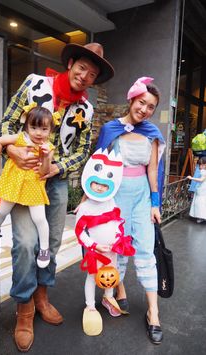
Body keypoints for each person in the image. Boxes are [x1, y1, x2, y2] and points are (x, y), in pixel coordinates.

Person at [0, 42, 114, 351]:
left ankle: (42, 295)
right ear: (71, 63)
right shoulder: (35, 84)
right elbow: (8, 122)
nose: (85, 75)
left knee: (49, 243)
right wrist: (12, 150)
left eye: (92, 73)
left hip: (56, 183)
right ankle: (24, 306)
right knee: (25, 242)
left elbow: (80, 151)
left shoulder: (86, 110)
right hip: (24, 177)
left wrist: (59, 167)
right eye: (82, 68)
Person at [96, 77, 166, 345]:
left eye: (151, 106)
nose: (145, 110)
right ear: (132, 99)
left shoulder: (152, 134)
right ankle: (119, 287)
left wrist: (155, 202)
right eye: (142, 103)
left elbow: (152, 170)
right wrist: (91, 199)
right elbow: (98, 165)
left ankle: (154, 313)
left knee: (146, 251)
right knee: (116, 247)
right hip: (114, 195)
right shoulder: (111, 129)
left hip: (140, 197)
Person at [0, 105, 55, 268]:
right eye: (34, 127)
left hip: (34, 185)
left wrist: (44, 157)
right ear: (26, 126)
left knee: (39, 218)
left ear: (50, 130)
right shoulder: (21, 138)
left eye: (43, 129)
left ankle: (44, 248)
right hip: (14, 182)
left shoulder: (48, 148)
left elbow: (44, 172)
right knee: (2, 209)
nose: (38, 133)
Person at [75, 149, 135, 336]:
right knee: (93, 278)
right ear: (89, 182)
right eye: (96, 184)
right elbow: (80, 232)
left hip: (112, 251)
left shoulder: (112, 203)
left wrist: (119, 239)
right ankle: (90, 306)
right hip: (95, 252)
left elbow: (118, 222)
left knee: (111, 275)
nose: (100, 188)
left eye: (104, 185)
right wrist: (93, 246)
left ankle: (108, 298)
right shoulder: (84, 207)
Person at [188, 156, 206, 223]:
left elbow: (201, 180)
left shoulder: (204, 172)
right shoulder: (203, 171)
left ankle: (201, 216)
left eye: (202, 165)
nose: (200, 166)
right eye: (200, 165)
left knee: (200, 202)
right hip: (202, 188)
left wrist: (191, 178)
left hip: (202, 189)